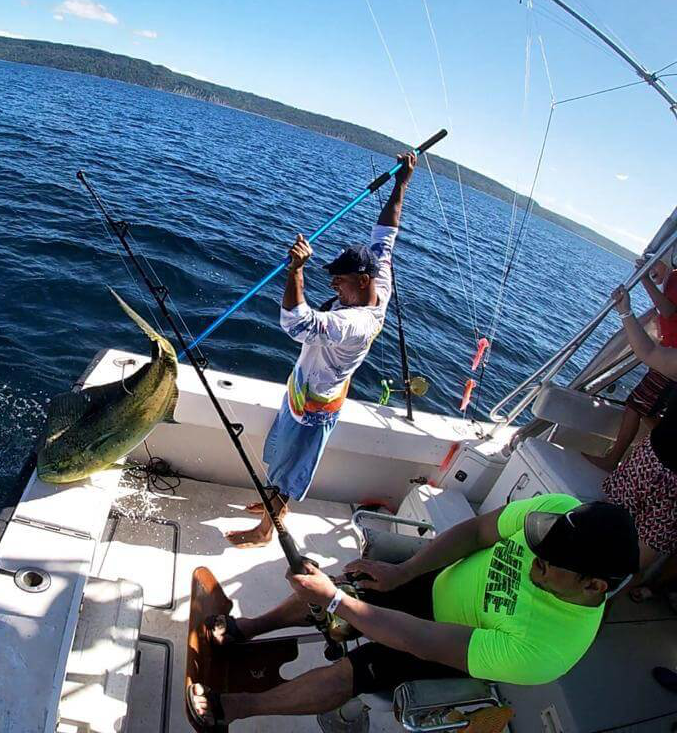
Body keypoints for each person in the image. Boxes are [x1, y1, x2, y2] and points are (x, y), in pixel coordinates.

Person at [188, 494, 639, 726]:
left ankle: (238, 707)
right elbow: (479, 531)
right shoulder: (560, 513)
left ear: (593, 585)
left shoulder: (547, 652)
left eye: (546, 563)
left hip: (447, 643)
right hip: (437, 580)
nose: (534, 556)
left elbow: (417, 639)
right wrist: (402, 573)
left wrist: (332, 600)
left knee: (354, 670)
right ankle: (249, 628)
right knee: (350, 583)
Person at [225, 152, 416, 548]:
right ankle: (271, 503)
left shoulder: (356, 323)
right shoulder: (377, 276)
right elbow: (386, 232)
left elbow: (296, 324)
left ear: (361, 281)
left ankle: (267, 531)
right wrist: (401, 182)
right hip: (301, 388)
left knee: (292, 465)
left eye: (339, 283)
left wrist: (295, 271)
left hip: (315, 403)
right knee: (279, 454)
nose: (334, 290)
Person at [601, 284, 677, 601]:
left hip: (656, 465)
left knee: (621, 547)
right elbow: (647, 352)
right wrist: (625, 310)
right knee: (617, 540)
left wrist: (626, 310)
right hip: (653, 460)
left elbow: (647, 352)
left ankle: (594, 605)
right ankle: (595, 602)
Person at [586, 255, 677, 471]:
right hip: (666, 357)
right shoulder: (671, 280)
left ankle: (613, 459)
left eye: (655, 263)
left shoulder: (676, 278)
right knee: (644, 409)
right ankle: (659, 450)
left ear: (667, 259)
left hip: (669, 361)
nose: (652, 268)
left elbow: (668, 310)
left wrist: (643, 279)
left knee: (636, 405)